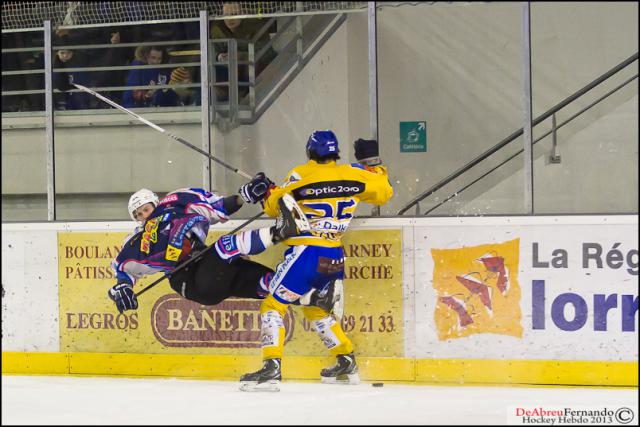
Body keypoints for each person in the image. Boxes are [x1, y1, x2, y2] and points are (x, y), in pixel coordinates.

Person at [237, 131, 393, 391]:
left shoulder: (301, 174)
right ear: (336, 153)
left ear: (310, 152)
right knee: (316, 309)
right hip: (334, 254)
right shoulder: (355, 175)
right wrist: (372, 162)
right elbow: (383, 192)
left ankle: (271, 368)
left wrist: (266, 190)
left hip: (307, 252)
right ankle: (345, 360)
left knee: (273, 306)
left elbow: (276, 206)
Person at [108, 185, 337, 316]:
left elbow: (220, 207)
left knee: (262, 282)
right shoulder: (138, 239)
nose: (143, 215)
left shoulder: (176, 203)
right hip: (188, 280)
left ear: (155, 203)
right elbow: (122, 271)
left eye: (145, 209)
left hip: (209, 268)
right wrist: (121, 289)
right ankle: (281, 232)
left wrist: (246, 195)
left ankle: (317, 298)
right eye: (137, 215)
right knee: (224, 248)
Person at [210, 2, 278, 101]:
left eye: (234, 14)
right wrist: (219, 56)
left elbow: (267, 52)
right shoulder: (217, 28)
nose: (230, 19)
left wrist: (242, 56)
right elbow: (212, 50)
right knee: (211, 71)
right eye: (226, 15)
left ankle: (243, 95)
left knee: (250, 67)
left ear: (242, 12)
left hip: (255, 67)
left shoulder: (255, 25)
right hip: (232, 70)